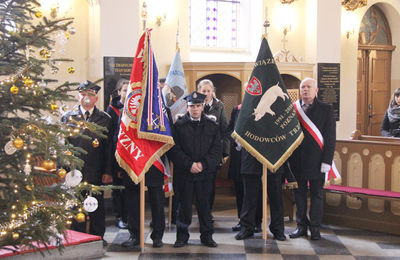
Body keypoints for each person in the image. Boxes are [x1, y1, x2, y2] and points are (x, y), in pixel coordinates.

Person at [61, 81, 113, 245]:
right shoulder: (67, 117)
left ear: (96, 98)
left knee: (97, 207)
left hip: (96, 170)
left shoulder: (105, 119)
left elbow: (109, 148)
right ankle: (78, 237)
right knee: (76, 207)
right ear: (78, 97)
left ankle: (98, 237)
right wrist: (62, 170)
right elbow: (62, 146)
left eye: (90, 94)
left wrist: (108, 171)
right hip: (73, 172)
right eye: (83, 94)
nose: (86, 98)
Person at [168, 91, 222, 248]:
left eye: (198, 106)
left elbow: (216, 150)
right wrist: (189, 164)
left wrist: (203, 164)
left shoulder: (213, 125)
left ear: (203, 106)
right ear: (187, 106)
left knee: (204, 206)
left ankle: (207, 236)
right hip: (184, 173)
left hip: (205, 174)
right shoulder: (178, 125)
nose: (195, 109)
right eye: (192, 106)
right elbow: (174, 150)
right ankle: (182, 237)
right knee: (183, 206)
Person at [289, 77, 336, 240]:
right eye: (303, 87)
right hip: (297, 161)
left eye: (309, 87)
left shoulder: (326, 109)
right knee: (299, 195)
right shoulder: (292, 109)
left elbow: (330, 138)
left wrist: (327, 161)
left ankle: (315, 228)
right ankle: (301, 226)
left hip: (317, 162)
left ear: (316, 90)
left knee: (317, 195)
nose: (305, 90)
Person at [234, 149, 287, 241]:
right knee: (249, 197)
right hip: (251, 155)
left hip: (274, 155)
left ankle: (278, 229)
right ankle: (246, 227)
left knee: (276, 197)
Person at [197, 79, 228, 214]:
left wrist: (224, 152)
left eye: (209, 91)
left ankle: (208, 212)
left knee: (210, 185)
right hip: (197, 151)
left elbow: (224, 129)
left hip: (213, 152)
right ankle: (199, 211)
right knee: (198, 184)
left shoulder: (219, 106)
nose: (206, 93)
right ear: (199, 91)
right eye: (203, 91)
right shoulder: (195, 104)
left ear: (213, 92)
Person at [106, 78, 129, 230]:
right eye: (125, 90)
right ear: (119, 91)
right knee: (118, 189)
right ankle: (120, 216)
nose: (127, 93)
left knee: (129, 190)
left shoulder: (134, 107)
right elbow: (111, 136)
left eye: (130, 90)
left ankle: (129, 216)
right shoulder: (112, 110)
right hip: (116, 154)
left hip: (131, 155)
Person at [226, 104, 244, 231]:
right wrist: (235, 139)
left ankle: (257, 221)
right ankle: (242, 221)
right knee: (240, 190)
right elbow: (228, 129)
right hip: (239, 156)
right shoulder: (236, 109)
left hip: (256, 158)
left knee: (256, 191)